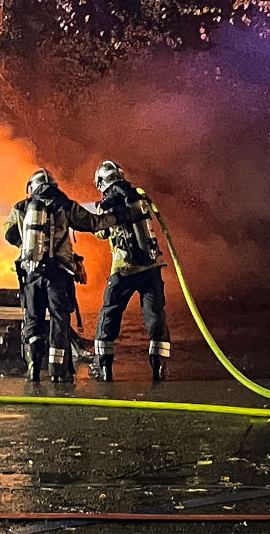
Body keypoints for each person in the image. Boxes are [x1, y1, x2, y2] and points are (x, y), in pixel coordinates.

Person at [4, 169, 128, 383]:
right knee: (59, 320)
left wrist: (26, 247)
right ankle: (57, 372)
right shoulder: (64, 204)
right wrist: (118, 217)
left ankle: (33, 369)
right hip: (58, 274)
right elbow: (92, 223)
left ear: (30, 188)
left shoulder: (21, 207)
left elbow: (8, 233)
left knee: (33, 320)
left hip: (31, 274)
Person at [90, 160, 171, 382]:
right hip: (151, 267)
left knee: (109, 315)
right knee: (156, 318)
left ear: (101, 182)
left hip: (124, 269)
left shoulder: (107, 202)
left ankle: (103, 368)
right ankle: (159, 369)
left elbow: (101, 232)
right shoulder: (139, 196)